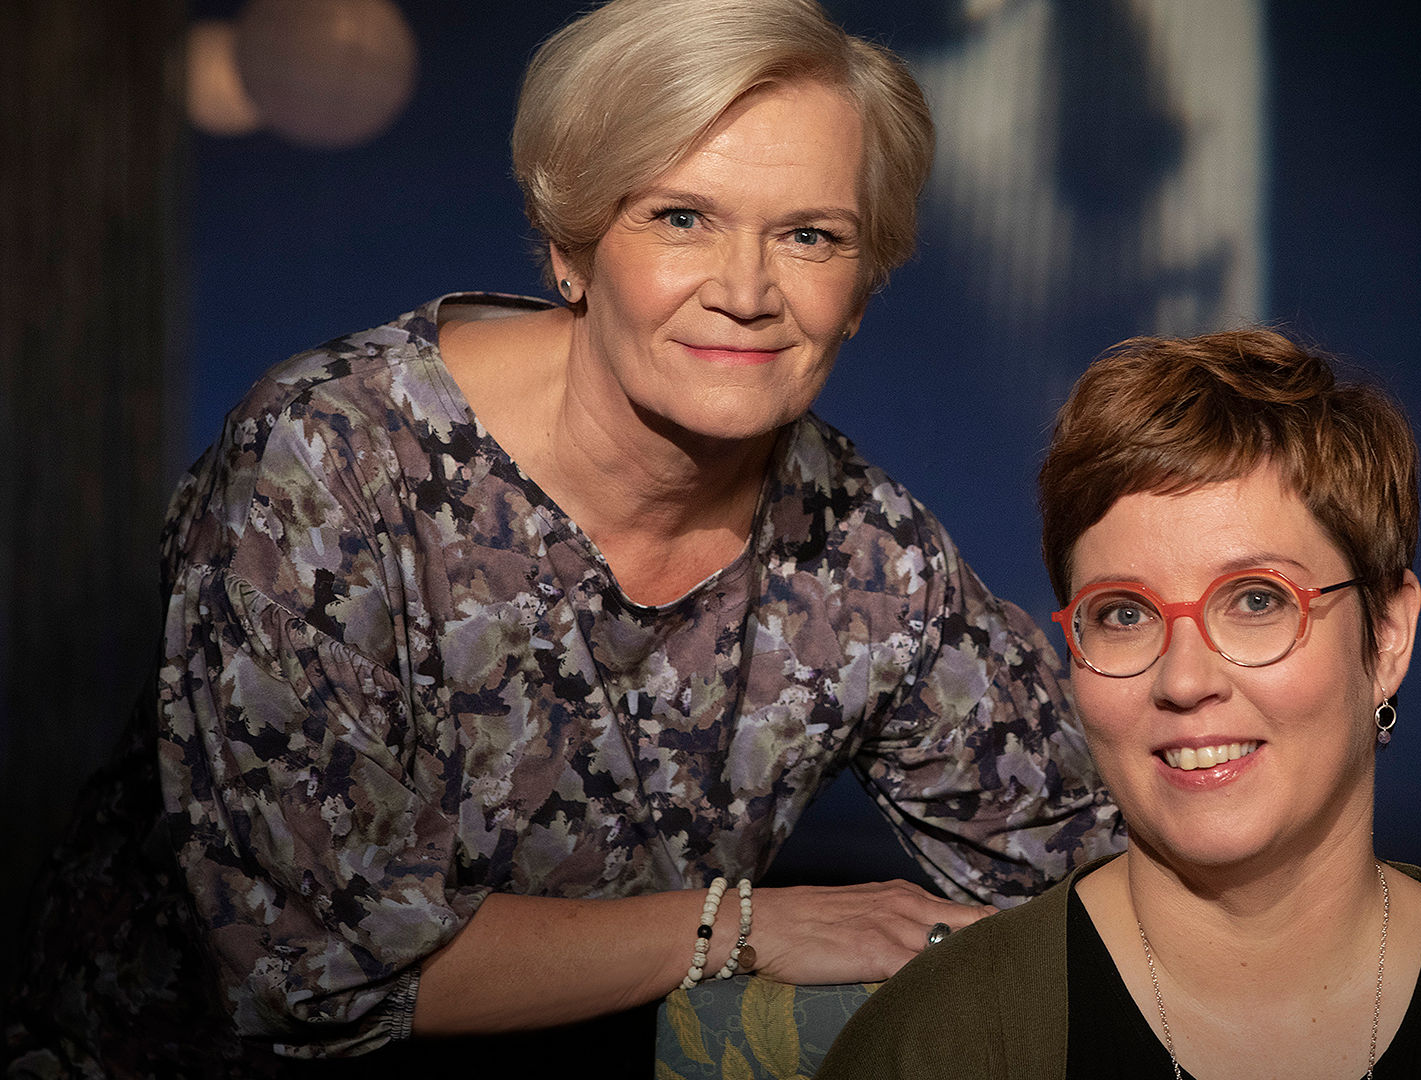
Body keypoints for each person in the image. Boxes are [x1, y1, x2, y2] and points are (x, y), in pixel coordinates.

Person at [1, 1, 1118, 1074]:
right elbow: (317, 967)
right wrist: (739, 927)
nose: (746, 290)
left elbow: (1086, 864)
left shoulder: (869, 556)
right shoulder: (327, 460)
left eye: (810, 236)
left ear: (862, 289)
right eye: (680, 218)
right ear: (569, 250)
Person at [818, 328, 1421, 1078]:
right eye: (1123, 614)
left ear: (1387, 636)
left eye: (1257, 600)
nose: (1184, 679)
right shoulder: (943, 1044)